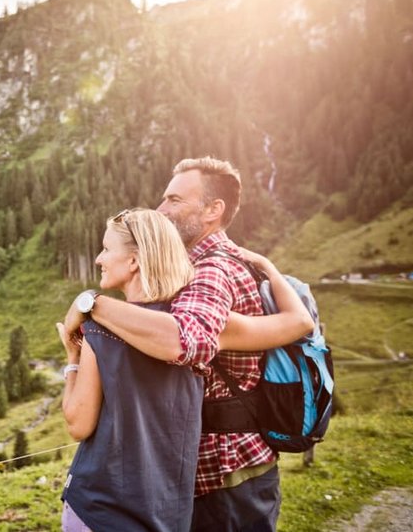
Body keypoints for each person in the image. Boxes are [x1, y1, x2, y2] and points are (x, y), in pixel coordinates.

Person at [62, 157, 314, 531]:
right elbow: (299, 322)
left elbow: (186, 340)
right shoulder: (219, 261)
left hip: (222, 472)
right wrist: (269, 268)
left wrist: (92, 305)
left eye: (175, 200)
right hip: (230, 466)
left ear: (214, 210)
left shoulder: (210, 270)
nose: (162, 209)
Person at [58, 208, 202, 531]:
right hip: (168, 515)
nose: (98, 258)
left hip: (102, 510)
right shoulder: (192, 331)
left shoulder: (100, 332)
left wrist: (72, 360)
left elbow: (77, 423)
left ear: (134, 261)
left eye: (107, 249)